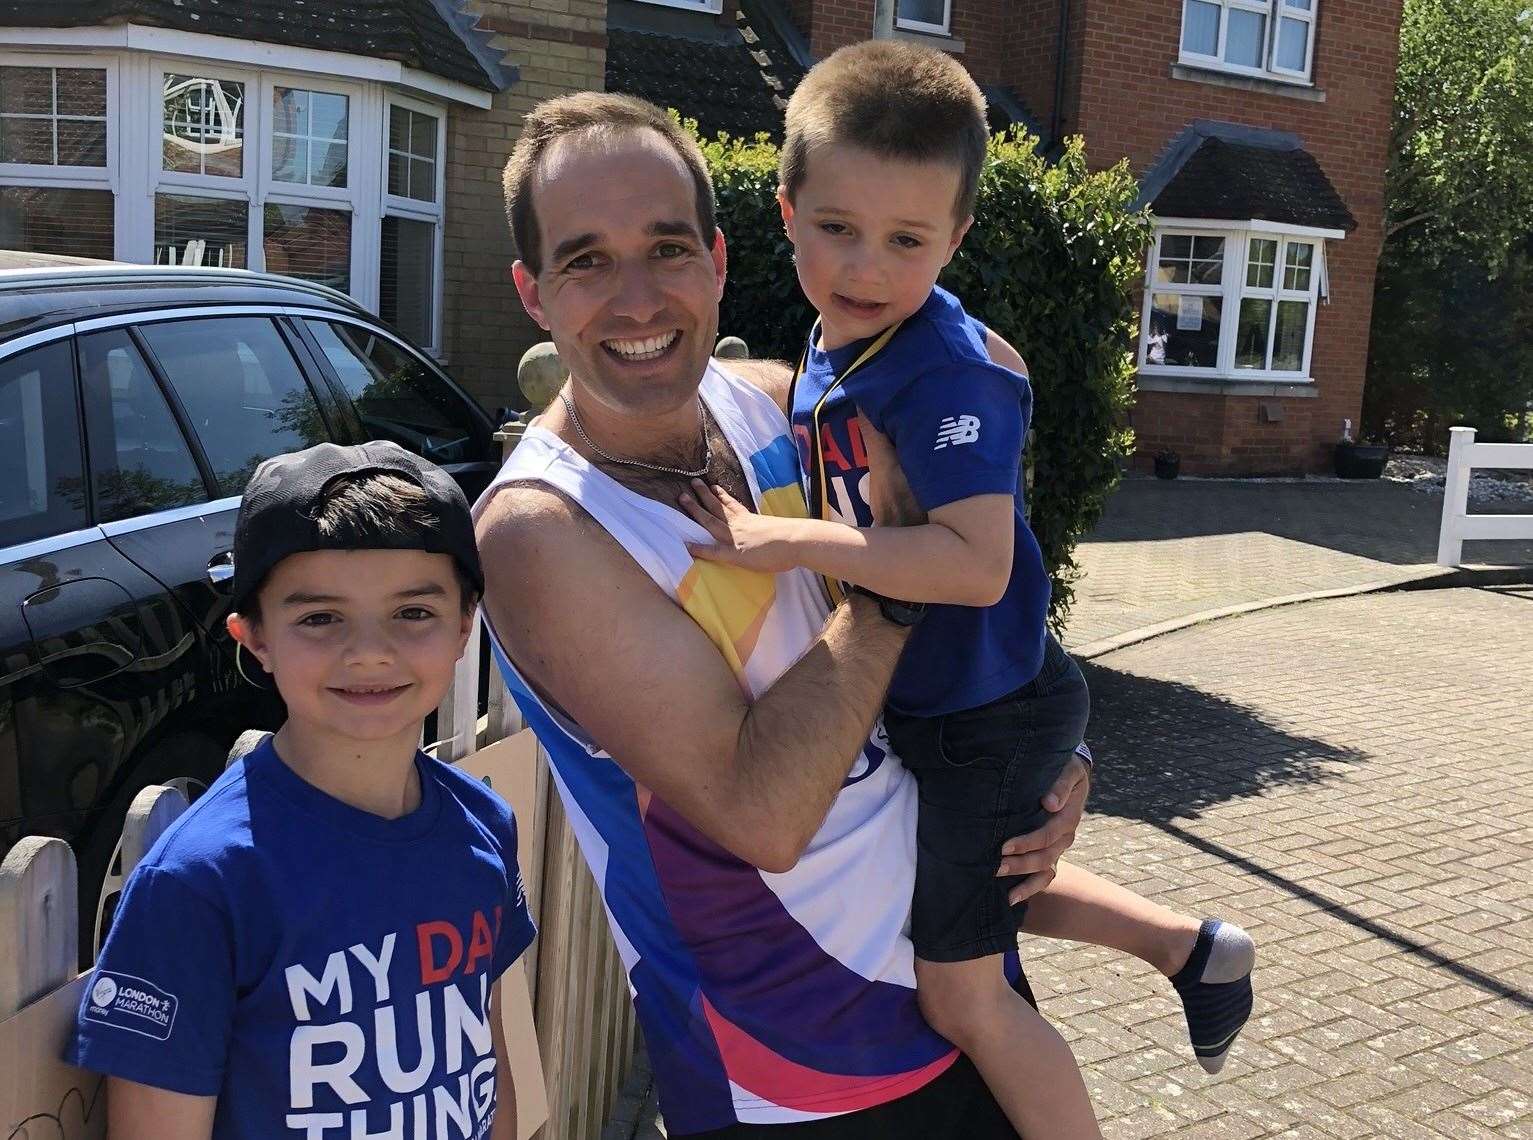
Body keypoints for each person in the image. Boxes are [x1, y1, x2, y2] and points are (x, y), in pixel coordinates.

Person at [678, 41, 1256, 1136]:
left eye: (906, 241)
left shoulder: (947, 370)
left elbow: (974, 561)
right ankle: (1196, 950)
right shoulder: (840, 337)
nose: (865, 265)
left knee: (963, 989)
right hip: (954, 705)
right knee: (958, 884)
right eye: (838, 228)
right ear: (788, 207)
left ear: (958, 238)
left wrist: (778, 545)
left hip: (982, 719)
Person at [68, 441, 535, 1140]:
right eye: (319, 618)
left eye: (413, 613)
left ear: (464, 625)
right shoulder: (200, 883)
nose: (370, 651)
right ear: (254, 637)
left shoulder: (483, 824)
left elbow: (484, 1061)